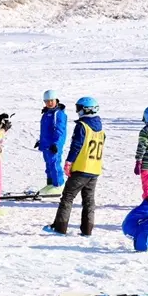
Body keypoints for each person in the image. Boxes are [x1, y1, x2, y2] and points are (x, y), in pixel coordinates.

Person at [45, 97, 105, 236]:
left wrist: (69, 162)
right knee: (89, 200)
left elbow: (76, 146)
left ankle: (60, 227)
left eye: (79, 108)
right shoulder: (101, 128)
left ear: (86, 109)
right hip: (94, 169)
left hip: (81, 168)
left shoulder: (82, 126)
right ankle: (87, 229)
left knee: (67, 197)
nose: (77, 111)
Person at [36, 90, 68, 196]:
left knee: (55, 164)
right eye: (47, 101)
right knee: (48, 165)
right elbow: (45, 130)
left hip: (54, 145)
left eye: (51, 100)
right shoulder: (47, 113)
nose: (49, 103)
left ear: (56, 100)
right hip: (46, 145)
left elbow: (60, 131)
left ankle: (58, 185)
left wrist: (57, 144)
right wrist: (41, 142)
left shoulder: (58, 114)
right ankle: (50, 184)